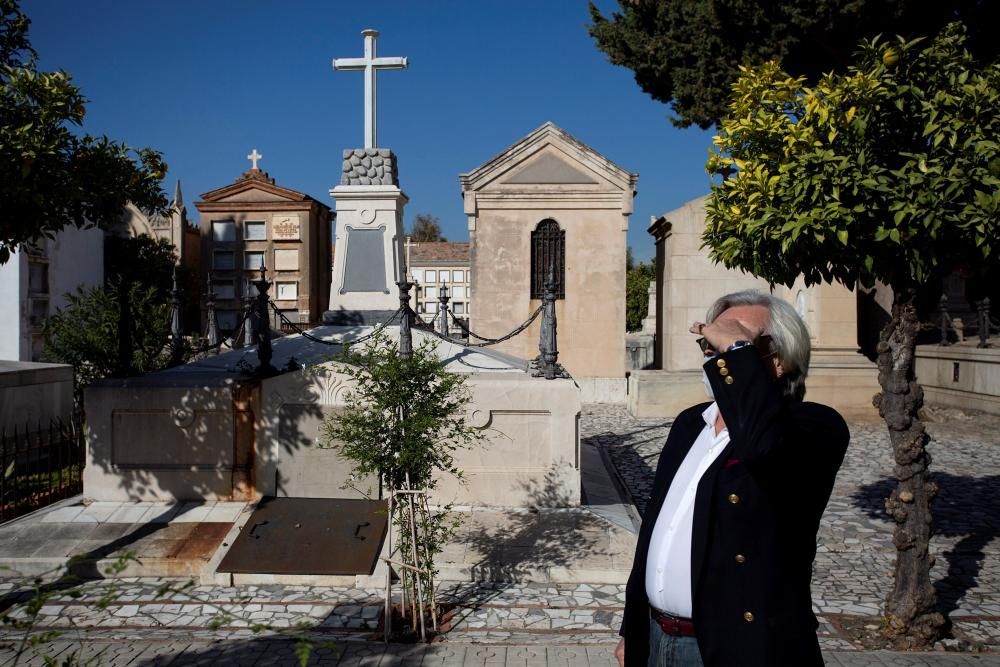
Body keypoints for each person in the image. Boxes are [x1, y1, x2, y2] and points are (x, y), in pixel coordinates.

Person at [616, 290, 849, 667]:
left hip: (740, 647)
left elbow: (763, 450)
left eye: (735, 343)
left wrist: (736, 348)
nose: (717, 355)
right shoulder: (692, 423)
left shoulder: (814, 427)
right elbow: (658, 529)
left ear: (779, 360)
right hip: (658, 637)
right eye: (711, 346)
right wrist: (633, 628)